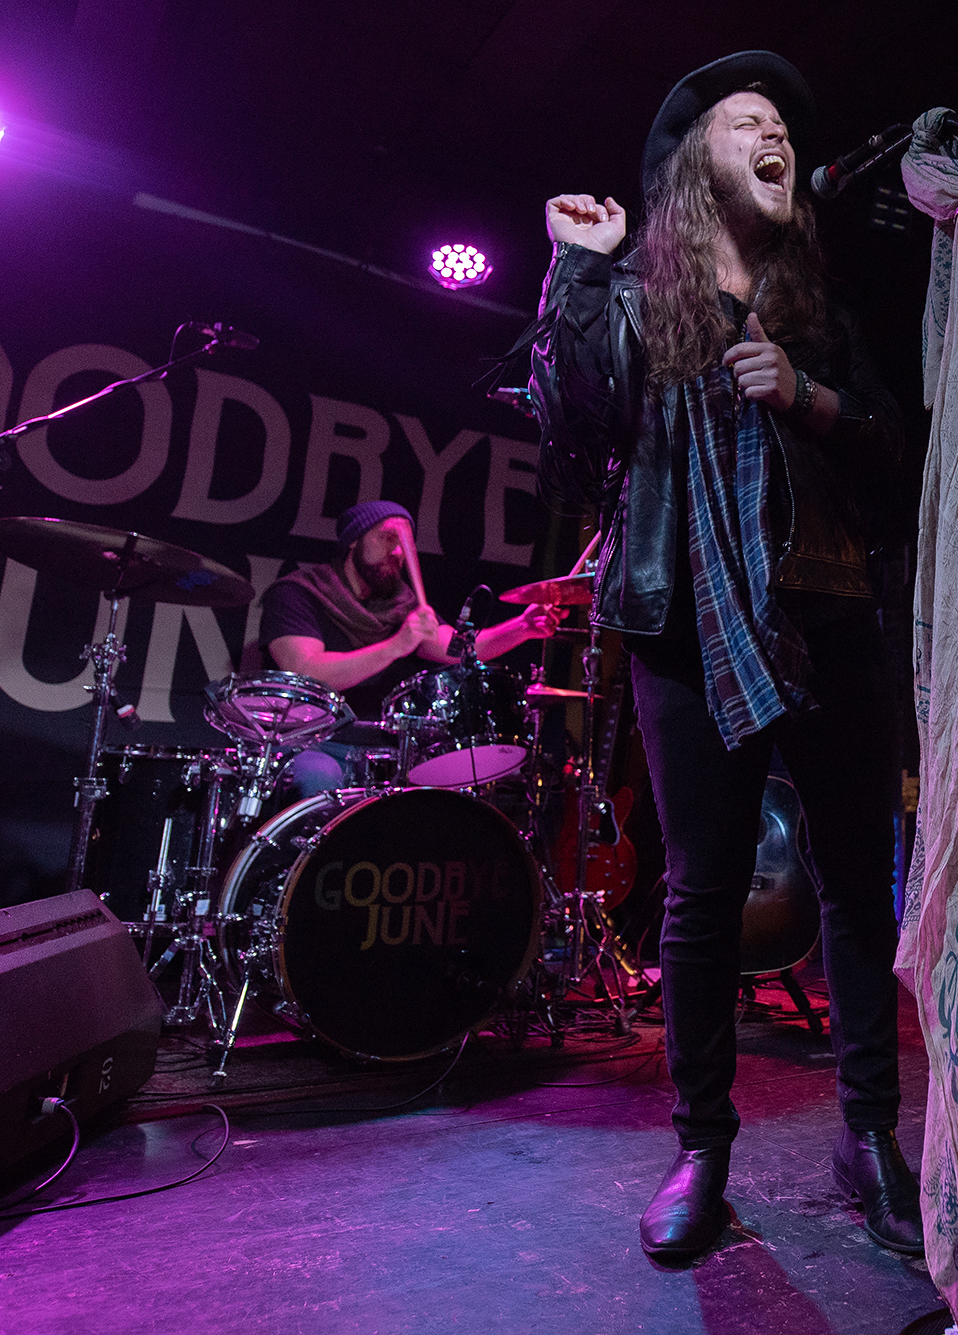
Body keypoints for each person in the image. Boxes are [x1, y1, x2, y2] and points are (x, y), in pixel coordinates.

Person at [525, 52, 917, 1262]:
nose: (774, 133)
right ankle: (701, 1150)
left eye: (783, 123)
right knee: (701, 894)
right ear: (694, 159)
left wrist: (806, 395)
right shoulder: (637, 294)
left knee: (856, 886)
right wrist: (575, 269)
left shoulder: (819, 310)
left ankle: (869, 1137)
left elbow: (893, 445)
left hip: (829, 609)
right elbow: (574, 423)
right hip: (685, 621)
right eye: (747, 120)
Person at [255, 499, 557, 793]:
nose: (398, 551)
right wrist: (396, 645)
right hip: (310, 743)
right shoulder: (300, 592)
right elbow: (307, 673)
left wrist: (523, 627)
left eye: (405, 545)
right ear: (354, 540)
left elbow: (458, 650)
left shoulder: (401, 604)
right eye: (388, 538)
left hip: (385, 752)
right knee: (318, 779)